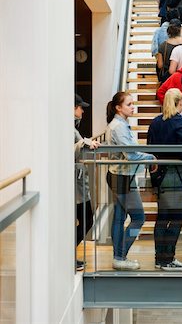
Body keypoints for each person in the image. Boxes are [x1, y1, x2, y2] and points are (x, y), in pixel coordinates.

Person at [105, 92, 156, 270]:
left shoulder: (121, 124)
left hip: (121, 176)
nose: (132, 107)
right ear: (118, 107)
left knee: (119, 217)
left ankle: (119, 257)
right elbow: (131, 154)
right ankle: (120, 255)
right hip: (121, 177)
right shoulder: (118, 126)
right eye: (129, 104)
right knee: (139, 218)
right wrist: (150, 157)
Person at [147, 88, 182, 271]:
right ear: (179, 102)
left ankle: (160, 258)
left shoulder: (155, 122)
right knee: (177, 217)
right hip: (174, 174)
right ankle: (168, 259)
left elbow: (150, 147)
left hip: (158, 174)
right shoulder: (180, 122)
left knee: (161, 217)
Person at [74, 94, 101, 271]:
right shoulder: (68, 128)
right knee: (86, 220)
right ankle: (67, 254)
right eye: (80, 107)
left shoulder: (72, 127)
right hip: (75, 185)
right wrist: (84, 143)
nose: (82, 110)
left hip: (77, 184)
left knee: (85, 219)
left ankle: (68, 254)